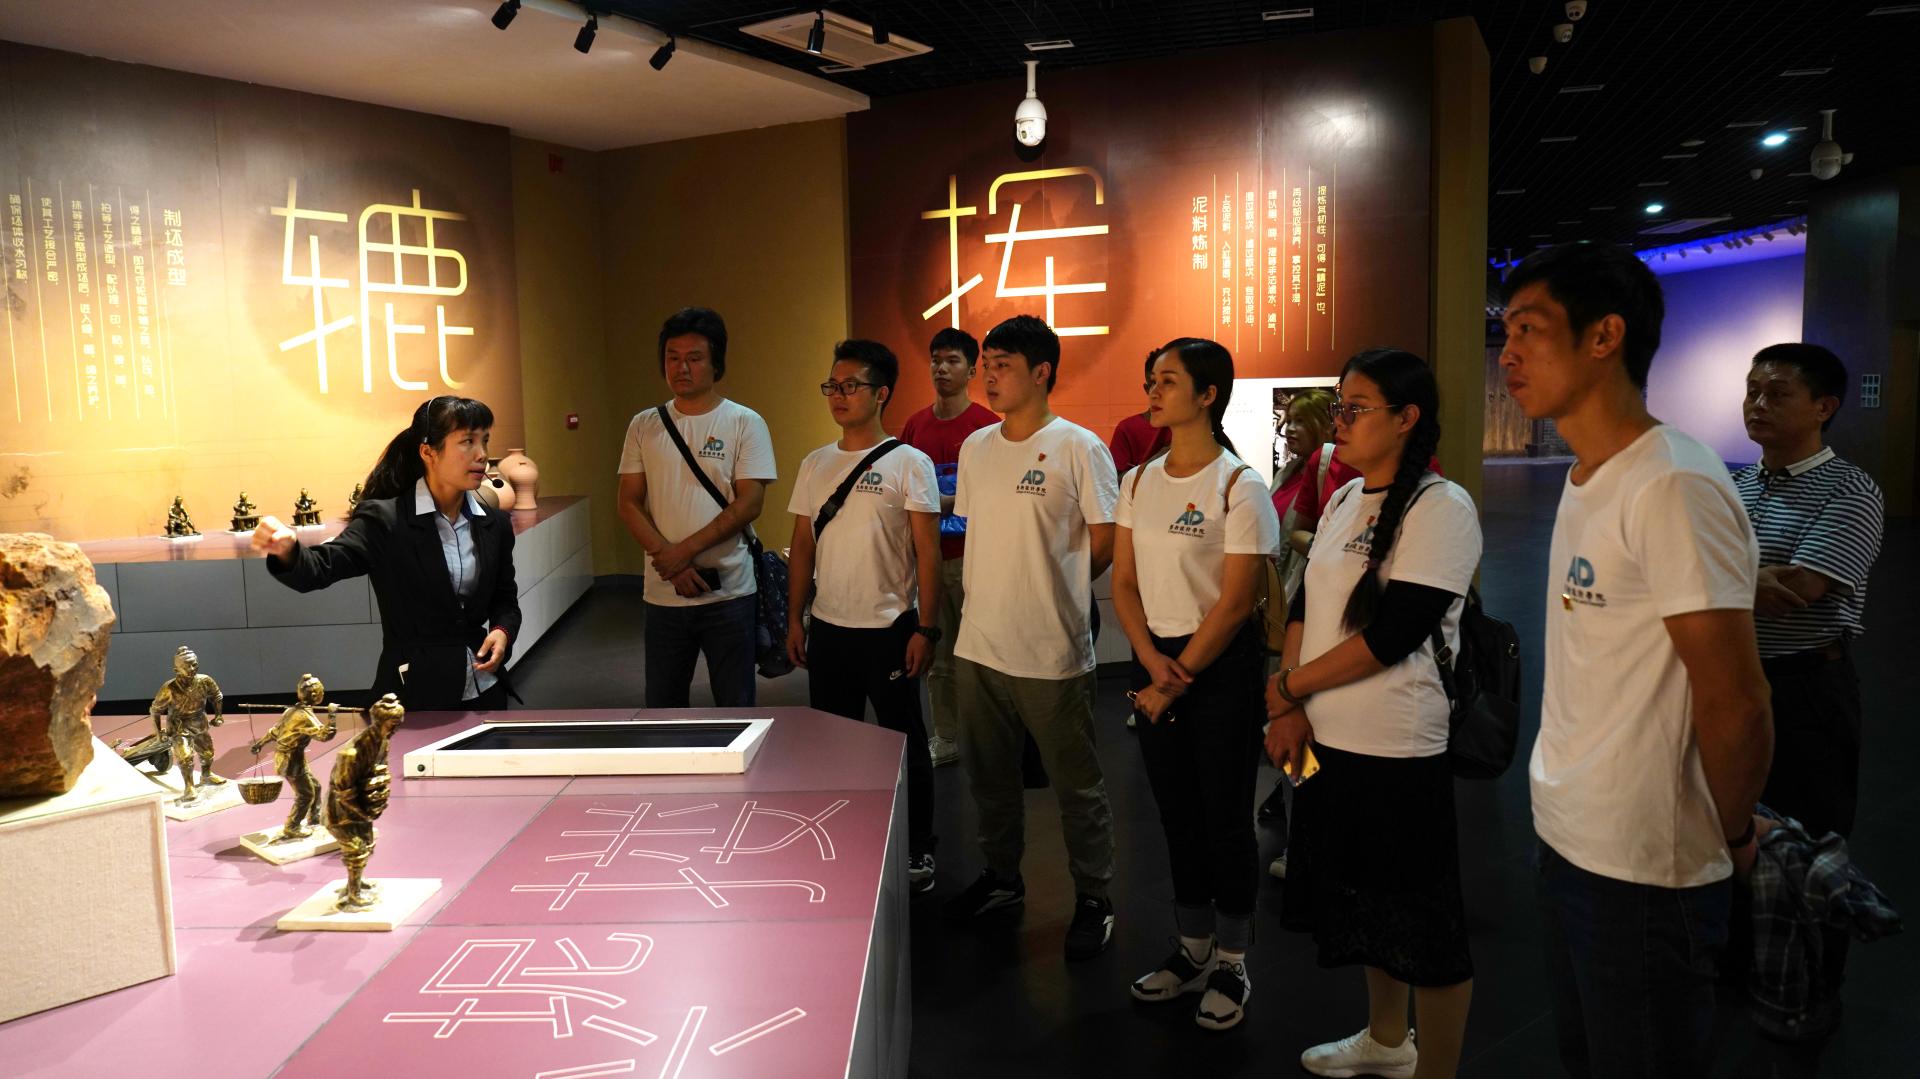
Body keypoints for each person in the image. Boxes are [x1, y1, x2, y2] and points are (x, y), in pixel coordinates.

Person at [1501, 241, 1772, 1078]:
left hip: (1648, 866)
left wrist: (1732, 833)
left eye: (1528, 328)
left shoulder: (1672, 482)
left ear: (1604, 335)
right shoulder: (1592, 475)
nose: (1507, 352)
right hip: (1570, 833)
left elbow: (1736, 700)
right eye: (1505, 331)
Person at [1264, 348, 1483, 1079]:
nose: (1340, 420)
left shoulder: (1441, 507)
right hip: (1324, 738)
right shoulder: (1342, 498)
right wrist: (1292, 703)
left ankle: (1436, 1068)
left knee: (1425, 921)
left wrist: (1290, 686)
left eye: (1356, 407)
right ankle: (1388, 1039)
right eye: (1340, 405)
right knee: (1361, 902)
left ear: (1406, 417)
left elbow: (1393, 636)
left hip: (1398, 746)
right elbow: (1305, 603)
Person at [942, 314, 1121, 961]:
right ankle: (1001, 877)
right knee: (990, 778)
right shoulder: (976, 447)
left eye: (1003, 365)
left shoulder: (1078, 446)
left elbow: (1106, 538)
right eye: (986, 364)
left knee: (1076, 785)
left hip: (1051, 649)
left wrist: (1058, 588)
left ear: (1041, 372)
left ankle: (1094, 896)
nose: (988, 376)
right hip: (979, 645)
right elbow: (977, 534)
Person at [1113, 337, 1279, 1030]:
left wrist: (1173, 679)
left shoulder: (1240, 485)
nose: (1153, 391)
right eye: (1151, 379)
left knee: (1225, 817)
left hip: (1220, 668)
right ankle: (1192, 948)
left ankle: (1233, 961)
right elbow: (1123, 582)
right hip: (1155, 661)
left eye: (1168, 380)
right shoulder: (1137, 481)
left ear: (1208, 395)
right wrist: (1151, 662)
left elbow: (1237, 602)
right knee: (1176, 815)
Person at [1733, 342, 1884, 1011]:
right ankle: (1745, 965)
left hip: (1806, 689)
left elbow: (1801, 587)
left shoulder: (1851, 490)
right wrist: (1743, 580)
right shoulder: (1735, 485)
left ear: (1824, 407)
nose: (1758, 404)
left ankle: (1812, 986)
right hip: (1734, 679)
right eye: (1752, 390)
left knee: (1808, 832)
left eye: (1778, 393)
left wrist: (1712, 578)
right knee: (1735, 824)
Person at [787, 339, 944, 894]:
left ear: (881, 394)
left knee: (904, 741)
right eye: (832, 385)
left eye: (851, 385)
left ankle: (918, 846)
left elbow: (927, 552)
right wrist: (795, 618)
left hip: (891, 630)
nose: (838, 395)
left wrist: (926, 627)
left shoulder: (910, 462)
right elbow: (802, 546)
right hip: (830, 628)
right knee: (833, 744)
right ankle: (845, 836)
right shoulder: (815, 463)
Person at [254, 395, 521, 711]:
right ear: (428, 452)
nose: (482, 454)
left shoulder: (494, 524)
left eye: (484, 440)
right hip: (414, 695)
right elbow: (322, 567)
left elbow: (505, 600)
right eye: (467, 442)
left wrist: (502, 631)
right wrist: (289, 550)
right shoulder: (387, 520)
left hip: (486, 690)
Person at [615, 307, 777, 708]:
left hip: (730, 592)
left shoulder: (745, 422)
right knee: (663, 709)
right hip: (663, 594)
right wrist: (671, 563)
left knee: (736, 707)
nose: (681, 368)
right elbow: (628, 502)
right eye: (672, 357)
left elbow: (750, 503)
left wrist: (680, 553)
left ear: (716, 363)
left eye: (694, 358)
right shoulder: (643, 425)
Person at [899, 328, 999, 768]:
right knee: (937, 656)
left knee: (982, 656)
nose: (941, 368)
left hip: (977, 559)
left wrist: (941, 503)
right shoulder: (915, 425)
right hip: (929, 560)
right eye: (936, 360)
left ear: (972, 370)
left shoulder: (988, 426)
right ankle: (946, 735)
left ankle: (988, 736)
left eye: (953, 360)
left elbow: (994, 495)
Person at [1259, 386, 1338, 841]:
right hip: (1284, 605)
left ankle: (1301, 828)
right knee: (1283, 713)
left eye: (1300, 422)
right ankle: (1292, 806)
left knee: (1298, 714)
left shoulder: (1330, 471)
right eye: (1287, 421)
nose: (1289, 430)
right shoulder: (1291, 470)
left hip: (1311, 608)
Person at [1109, 349, 1173, 476]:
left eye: (1169, 383)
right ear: (1147, 389)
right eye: (1153, 384)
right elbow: (1115, 480)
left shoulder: (1200, 433)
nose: (1155, 393)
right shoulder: (1128, 428)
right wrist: (1161, 458)